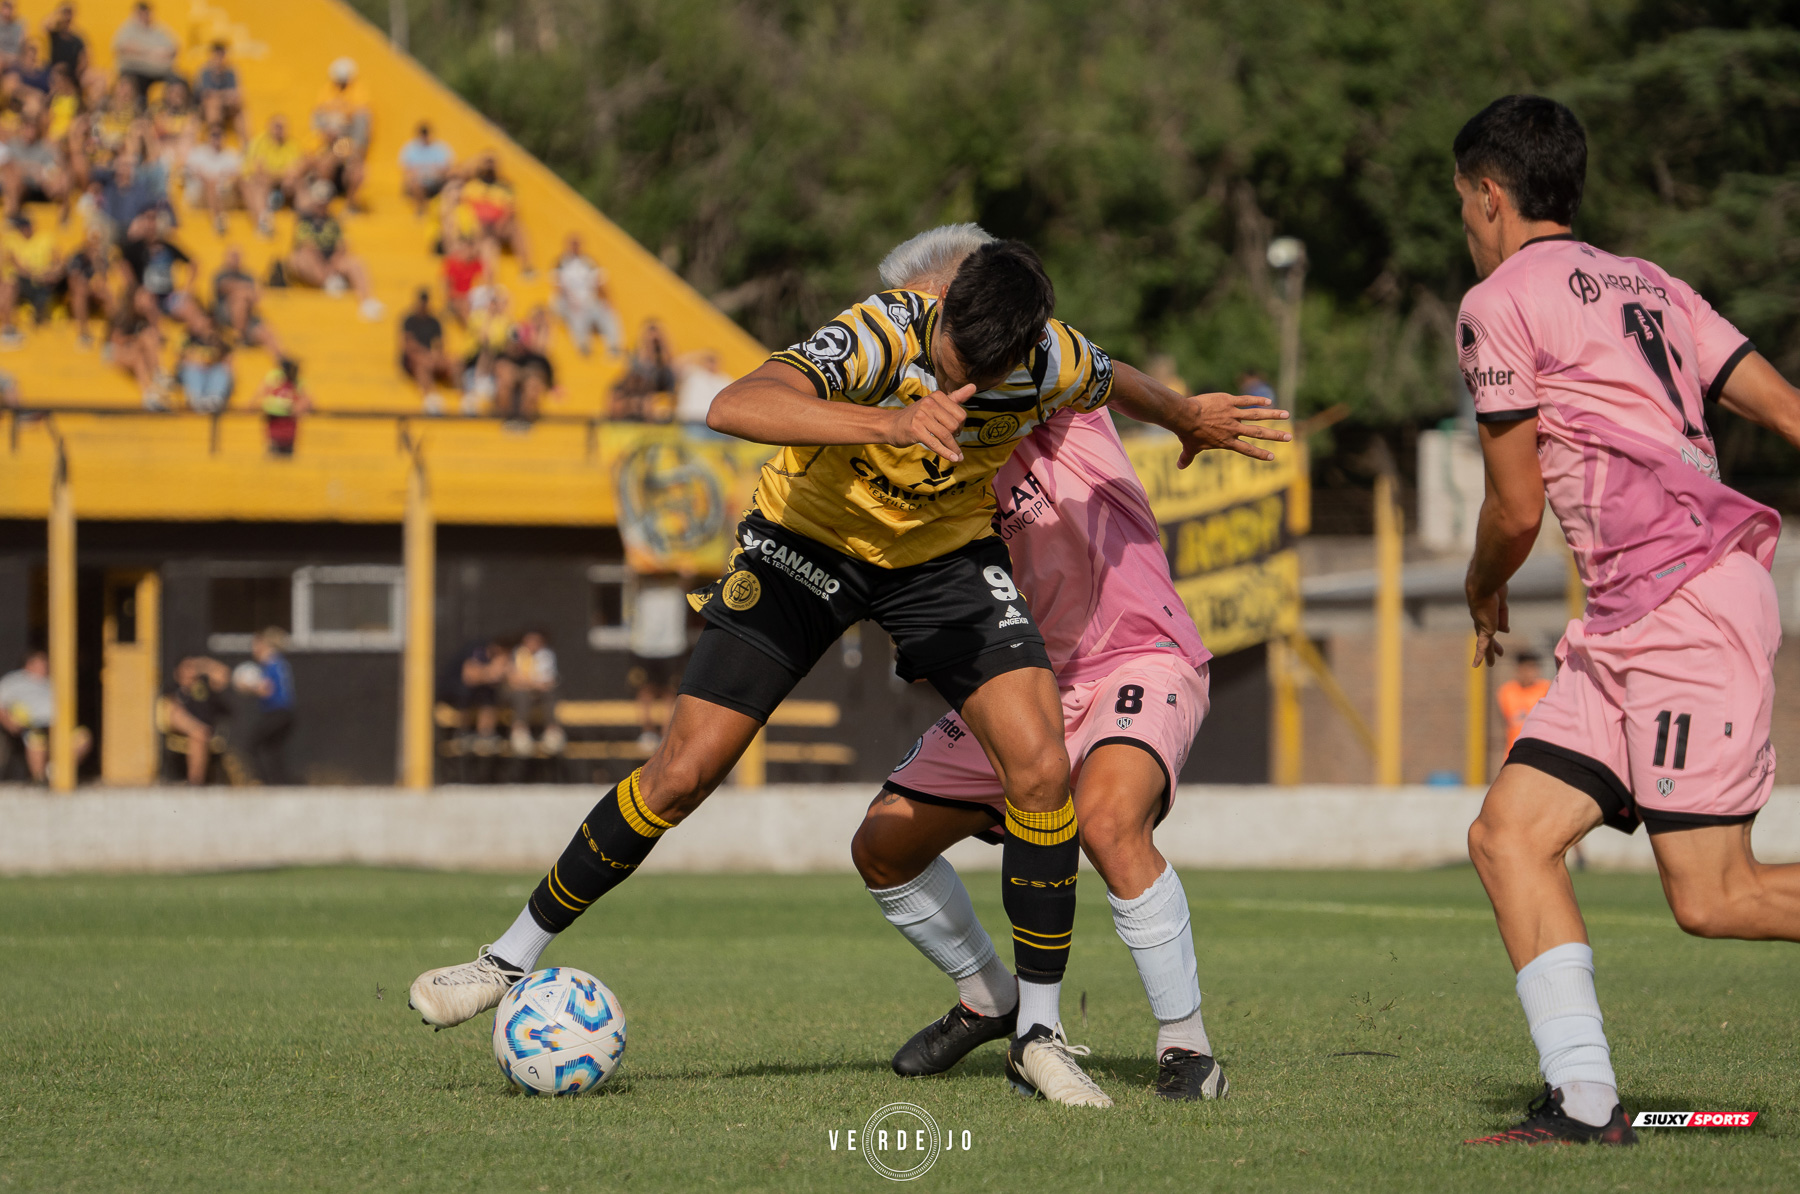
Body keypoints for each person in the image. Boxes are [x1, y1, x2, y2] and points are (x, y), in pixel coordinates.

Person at [406, 234, 1292, 1111]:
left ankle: (1038, 1034)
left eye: (988, 373)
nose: (965, 385)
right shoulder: (879, 334)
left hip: (939, 563)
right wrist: (891, 421)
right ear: (939, 314)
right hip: (806, 546)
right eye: (955, 363)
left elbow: (1114, 378)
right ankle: (506, 959)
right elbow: (734, 405)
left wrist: (1184, 417)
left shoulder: (1048, 358)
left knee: (1038, 768)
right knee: (682, 772)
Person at [1452, 95, 1800, 1147]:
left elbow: (1514, 509)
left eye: (1462, 202)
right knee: (1508, 837)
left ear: (1490, 195)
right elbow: (1789, 410)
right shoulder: (1653, 283)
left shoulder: (1498, 302)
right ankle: (1586, 1102)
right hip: (1627, 622)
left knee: (1715, 897)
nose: (1465, 222)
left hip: (1685, 608)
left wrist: (1481, 585)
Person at [849, 225, 1227, 1106]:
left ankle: (1187, 1046)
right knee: (883, 845)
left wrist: (1183, 414)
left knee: (1107, 821)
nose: (933, 326)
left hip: (1138, 653)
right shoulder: (917, 426)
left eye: (945, 303)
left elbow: (1115, 376)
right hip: (1020, 681)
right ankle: (991, 998)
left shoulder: (1053, 381)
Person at [284, 188, 383, 320]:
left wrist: (332, 263)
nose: (323, 206)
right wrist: (325, 269)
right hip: (314, 262)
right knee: (301, 259)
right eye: (320, 203)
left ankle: (366, 301)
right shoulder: (304, 221)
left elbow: (342, 245)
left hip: (332, 262)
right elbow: (307, 246)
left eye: (325, 202)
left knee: (355, 263)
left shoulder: (333, 222)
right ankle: (328, 282)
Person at [0, 649, 90, 783]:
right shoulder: (13, 681)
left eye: (46, 663)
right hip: (32, 724)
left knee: (83, 739)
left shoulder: (52, 681)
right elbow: (1, 705)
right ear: (29, 664)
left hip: (58, 724)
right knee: (36, 740)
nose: (45, 666)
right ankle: (39, 779)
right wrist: (9, 722)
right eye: (41, 663)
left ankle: (55, 771)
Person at [626, 576, 690, 750]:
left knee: (671, 692)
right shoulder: (644, 584)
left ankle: (665, 734)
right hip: (644, 646)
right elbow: (632, 578)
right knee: (645, 690)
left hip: (672, 646)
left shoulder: (676, 587)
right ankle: (647, 732)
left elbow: (687, 580)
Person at [235, 628, 295, 784]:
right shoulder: (279, 662)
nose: (253, 650)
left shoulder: (272, 663)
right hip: (285, 713)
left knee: (251, 745)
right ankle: (279, 782)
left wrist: (246, 686)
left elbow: (266, 689)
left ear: (264, 645)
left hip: (277, 713)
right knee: (272, 749)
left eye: (256, 645)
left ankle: (262, 781)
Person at [550, 233, 621, 356]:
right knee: (576, 314)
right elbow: (558, 286)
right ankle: (582, 344)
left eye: (577, 244)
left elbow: (600, 282)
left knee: (608, 312)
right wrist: (572, 301)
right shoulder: (561, 263)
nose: (575, 247)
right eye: (573, 244)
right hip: (569, 301)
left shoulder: (589, 262)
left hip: (588, 300)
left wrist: (607, 301)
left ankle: (614, 345)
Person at [164, 655, 230, 785]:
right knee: (190, 726)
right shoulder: (174, 689)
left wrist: (202, 665)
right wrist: (194, 727)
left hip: (203, 732)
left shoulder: (204, 688)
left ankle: (195, 782)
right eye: (186, 668)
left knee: (198, 737)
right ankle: (195, 782)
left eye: (192, 668)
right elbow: (172, 714)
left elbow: (223, 674)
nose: (191, 672)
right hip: (183, 728)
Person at [210, 246, 284, 358]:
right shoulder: (220, 275)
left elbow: (257, 296)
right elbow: (225, 287)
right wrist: (246, 290)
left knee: (266, 332)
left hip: (247, 318)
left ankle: (282, 360)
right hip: (225, 317)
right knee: (240, 298)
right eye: (233, 256)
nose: (235, 259)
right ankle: (239, 337)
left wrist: (245, 292)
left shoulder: (247, 276)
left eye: (237, 256)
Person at [439, 638, 509, 754]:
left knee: (489, 694)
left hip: (477, 692)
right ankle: (463, 733)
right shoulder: (479, 650)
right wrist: (489, 674)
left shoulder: (501, 659)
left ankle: (486, 735)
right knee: (465, 691)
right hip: (451, 691)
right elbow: (469, 677)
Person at [244, 115, 305, 237]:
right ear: (269, 127)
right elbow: (259, 171)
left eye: (283, 127)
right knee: (260, 182)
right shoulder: (259, 142)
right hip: (261, 183)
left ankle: (305, 221)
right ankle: (263, 223)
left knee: (299, 183)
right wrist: (283, 174)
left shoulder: (292, 144)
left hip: (281, 183)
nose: (280, 130)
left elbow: (296, 169)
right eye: (277, 126)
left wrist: (284, 175)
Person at [506, 630, 564, 757]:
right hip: (519, 693)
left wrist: (527, 682)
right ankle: (519, 732)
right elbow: (513, 680)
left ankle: (552, 732)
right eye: (529, 640)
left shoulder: (546, 655)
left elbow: (549, 681)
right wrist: (534, 683)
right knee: (521, 695)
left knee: (550, 694)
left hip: (539, 694)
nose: (532, 644)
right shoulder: (517, 654)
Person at [607, 318, 676, 422]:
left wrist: (661, 346)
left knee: (650, 402)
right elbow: (635, 374)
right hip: (639, 394)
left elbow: (669, 372)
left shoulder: (665, 362)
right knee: (617, 398)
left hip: (656, 395)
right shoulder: (636, 359)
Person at [112, 2, 179, 106]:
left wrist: (143, 52)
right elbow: (122, 47)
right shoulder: (128, 29)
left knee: (179, 81)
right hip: (135, 71)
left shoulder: (158, 29)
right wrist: (152, 52)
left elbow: (174, 48)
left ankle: (173, 110)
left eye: (147, 13)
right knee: (136, 84)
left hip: (159, 72)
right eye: (141, 13)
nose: (145, 16)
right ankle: (139, 109)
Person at [399, 287, 453, 413]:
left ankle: (466, 397)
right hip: (413, 358)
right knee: (422, 363)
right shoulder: (409, 320)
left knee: (455, 362)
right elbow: (408, 346)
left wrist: (436, 355)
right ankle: (429, 396)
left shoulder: (434, 321)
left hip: (430, 357)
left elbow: (440, 344)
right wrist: (427, 355)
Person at [184, 124, 242, 234]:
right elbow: (191, 174)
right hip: (200, 195)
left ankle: (262, 219)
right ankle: (218, 219)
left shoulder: (231, 154)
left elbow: (237, 176)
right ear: (207, 136)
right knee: (211, 182)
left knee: (244, 181)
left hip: (224, 194)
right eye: (214, 135)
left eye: (219, 134)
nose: (216, 138)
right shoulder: (198, 153)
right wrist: (219, 178)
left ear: (224, 136)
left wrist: (227, 180)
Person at [1495, 649, 1550, 755]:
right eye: (1526, 668)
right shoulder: (1507, 691)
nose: (1529, 673)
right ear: (1519, 669)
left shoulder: (1546, 688)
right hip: (1514, 751)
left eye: (1532, 668)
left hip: (1539, 751)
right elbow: (1507, 721)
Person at [176, 320, 232, 413]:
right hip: (196, 373)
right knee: (191, 370)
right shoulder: (188, 339)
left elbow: (227, 359)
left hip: (211, 374)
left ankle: (214, 398)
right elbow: (182, 360)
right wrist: (201, 363)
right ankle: (196, 400)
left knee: (221, 369)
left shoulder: (219, 341)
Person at [193, 41, 245, 142]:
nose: (219, 59)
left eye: (222, 56)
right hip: (205, 108)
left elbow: (237, 93)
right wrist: (224, 95)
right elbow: (205, 95)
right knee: (213, 104)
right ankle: (214, 138)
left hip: (225, 106)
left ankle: (246, 144)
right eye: (217, 55)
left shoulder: (231, 72)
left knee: (240, 112)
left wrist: (221, 96)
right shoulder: (204, 72)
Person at [398, 121, 453, 214]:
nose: (425, 137)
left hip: (436, 181)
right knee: (414, 181)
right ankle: (421, 208)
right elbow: (405, 169)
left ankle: (443, 209)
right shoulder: (410, 148)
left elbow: (447, 168)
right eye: (423, 134)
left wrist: (434, 175)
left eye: (426, 134)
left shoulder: (441, 148)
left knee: (451, 183)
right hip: (417, 181)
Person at [258, 358, 310, 456]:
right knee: (274, 453)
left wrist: (295, 408)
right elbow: (263, 398)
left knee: (286, 454)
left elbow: (307, 401)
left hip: (289, 428)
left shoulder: (297, 383)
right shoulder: (275, 380)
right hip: (275, 426)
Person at [674, 350, 731, 426]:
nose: (711, 364)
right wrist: (699, 354)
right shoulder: (693, 372)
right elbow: (676, 365)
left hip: (715, 420)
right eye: (709, 361)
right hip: (693, 418)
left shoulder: (724, 378)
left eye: (713, 361)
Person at [440, 233, 482, 326]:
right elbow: (446, 285)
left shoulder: (477, 263)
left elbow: (483, 283)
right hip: (456, 299)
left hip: (471, 299)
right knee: (463, 305)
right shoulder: (452, 263)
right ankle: (473, 329)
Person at [42, 4, 87, 84]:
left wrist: (78, 73)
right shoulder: (54, 35)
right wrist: (57, 12)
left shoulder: (77, 39)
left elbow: (83, 59)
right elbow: (45, 25)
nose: (67, 18)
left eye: (69, 14)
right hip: (54, 72)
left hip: (71, 75)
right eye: (65, 13)